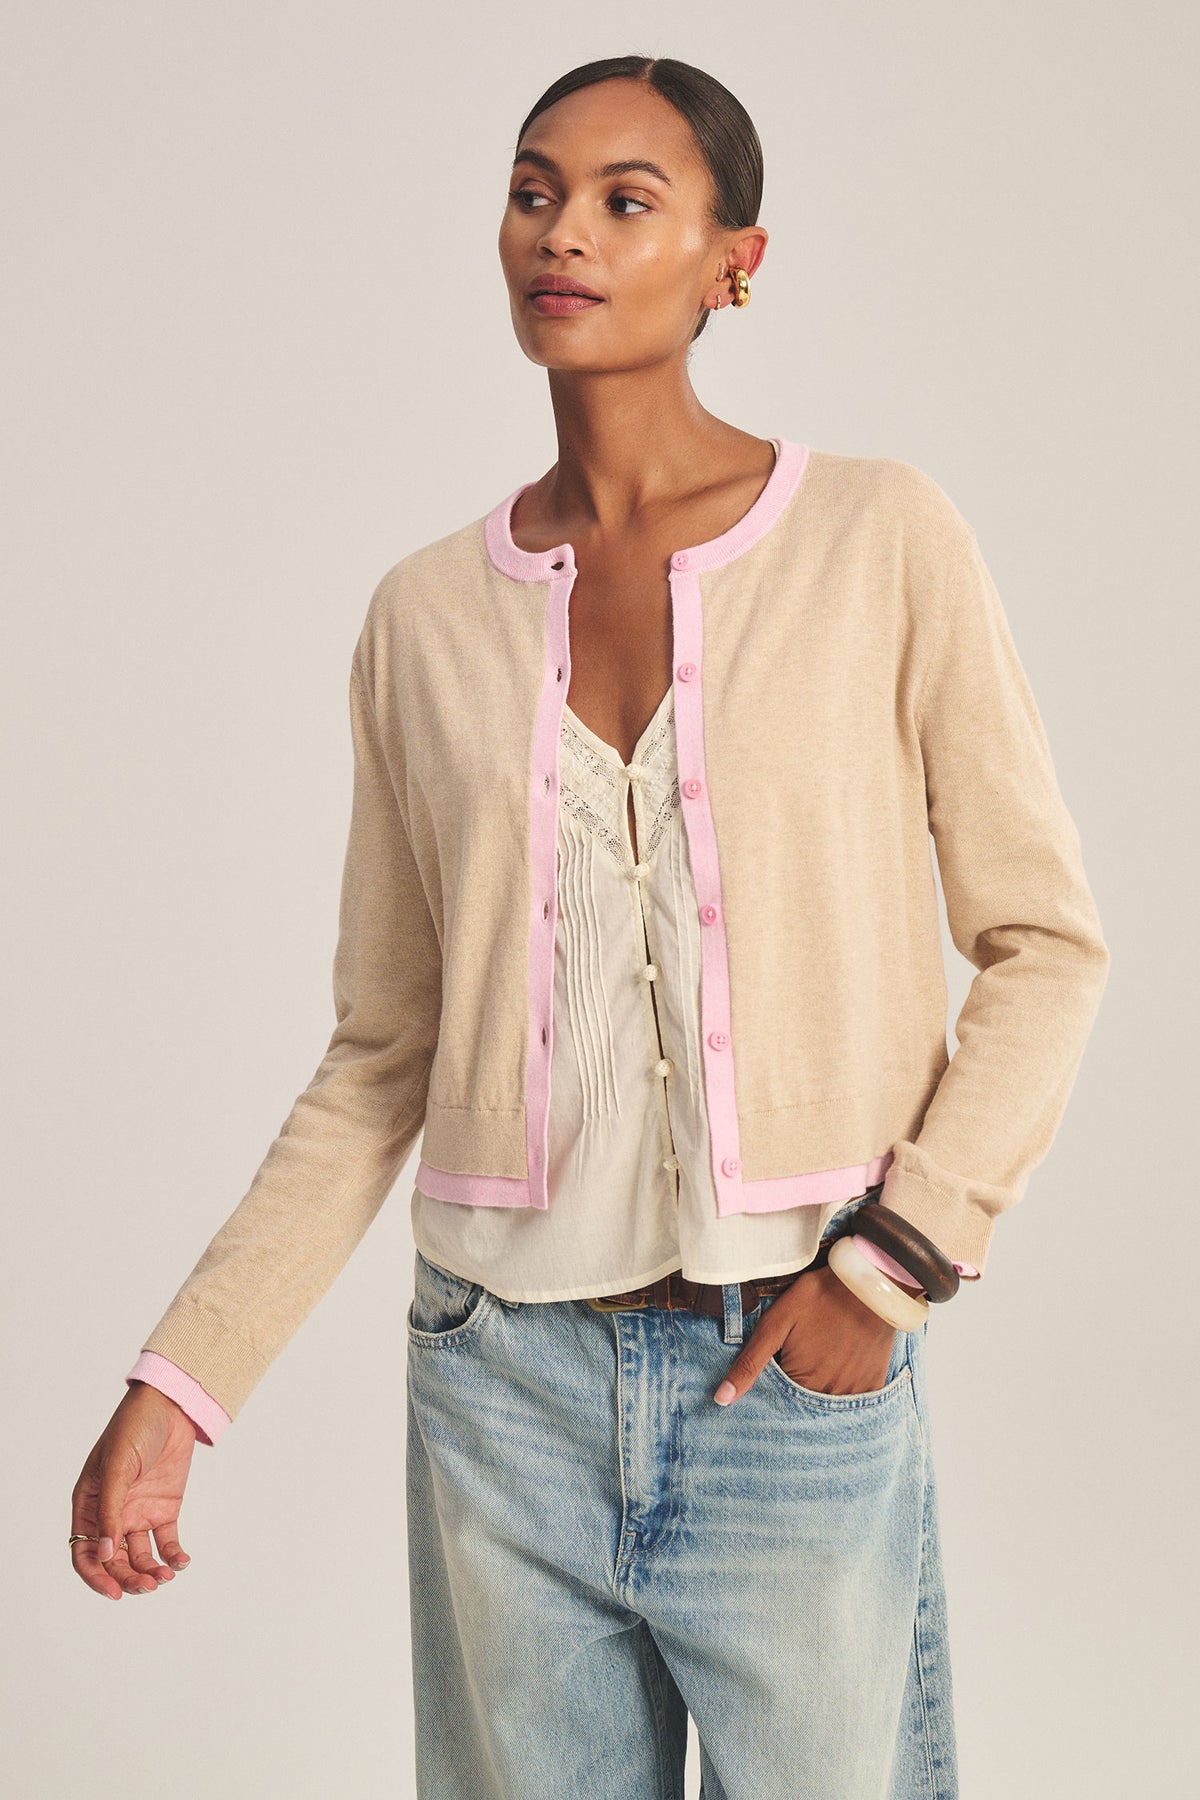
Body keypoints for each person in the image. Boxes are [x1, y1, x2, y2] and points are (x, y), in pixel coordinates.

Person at [70, 53, 1110, 1800]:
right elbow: (383, 1055)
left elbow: (1048, 944)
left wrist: (893, 1267)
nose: (563, 232)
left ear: (734, 262)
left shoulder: (880, 540)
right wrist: (185, 1381)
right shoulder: (422, 619)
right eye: (535, 190)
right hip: (501, 1389)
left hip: (794, 1369)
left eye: (630, 200)